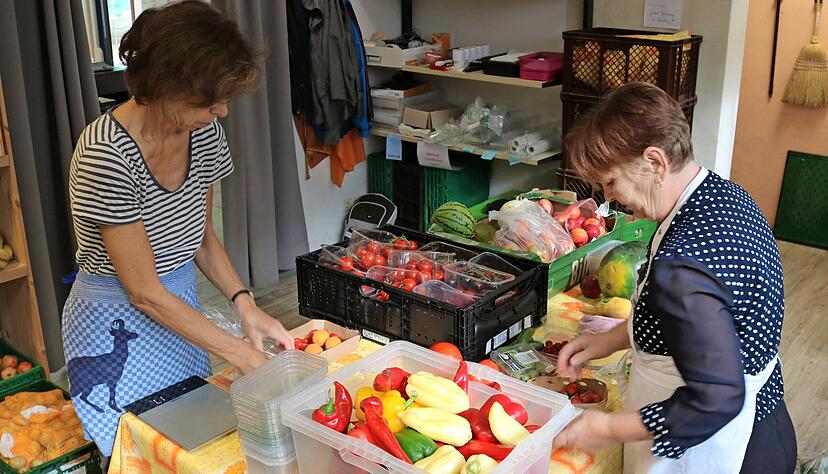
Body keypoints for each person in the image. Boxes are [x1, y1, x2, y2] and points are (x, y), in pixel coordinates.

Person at [62, 1, 292, 457]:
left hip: (179, 309)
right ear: (164, 85)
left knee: (193, 443)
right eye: (210, 100)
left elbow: (201, 236)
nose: (223, 111)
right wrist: (242, 354)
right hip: (116, 318)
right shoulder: (105, 155)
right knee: (137, 451)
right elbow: (143, 291)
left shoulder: (203, 133)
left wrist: (244, 304)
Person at [553, 82, 796, 473]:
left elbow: (716, 399)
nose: (609, 198)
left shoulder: (683, 264)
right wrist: (610, 340)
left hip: (726, 444)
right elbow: (698, 321)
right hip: (769, 417)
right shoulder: (720, 195)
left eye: (611, 181)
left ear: (655, 162)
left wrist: (610, 427)